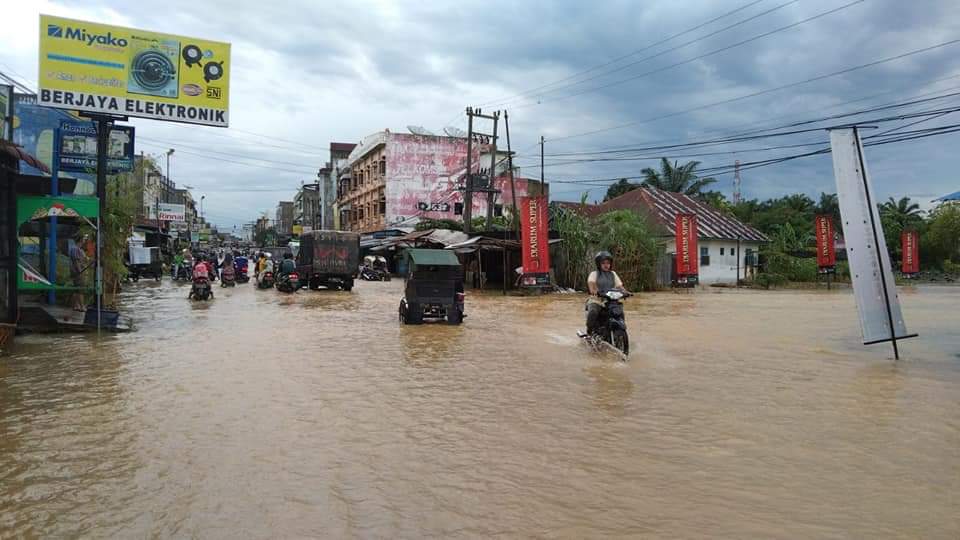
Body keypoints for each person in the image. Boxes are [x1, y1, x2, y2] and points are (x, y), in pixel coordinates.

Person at [585, 251, 627, 335]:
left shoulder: (613, 274)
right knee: (593, 311)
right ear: (598, 264)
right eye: (603, 263)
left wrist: (625, 292)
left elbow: (619, 286)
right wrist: (594, 290)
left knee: (620, 312)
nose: (606, 265)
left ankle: (619, 330)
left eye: (608, 263)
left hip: (610, 300)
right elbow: (591, 283)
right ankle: (589, 330)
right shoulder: (594, 274)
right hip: (597, 300)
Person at [69, 233, 89, 311]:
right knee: (80, 289)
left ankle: (76, 305)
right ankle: (82, 306)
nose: (84, 240)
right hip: (78, 272)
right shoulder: (75, 249)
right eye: (84, 239)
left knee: (76, 289)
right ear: (80, 240)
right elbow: (76, 261)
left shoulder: (78, 249)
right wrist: (80, 271)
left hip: (78, 271)